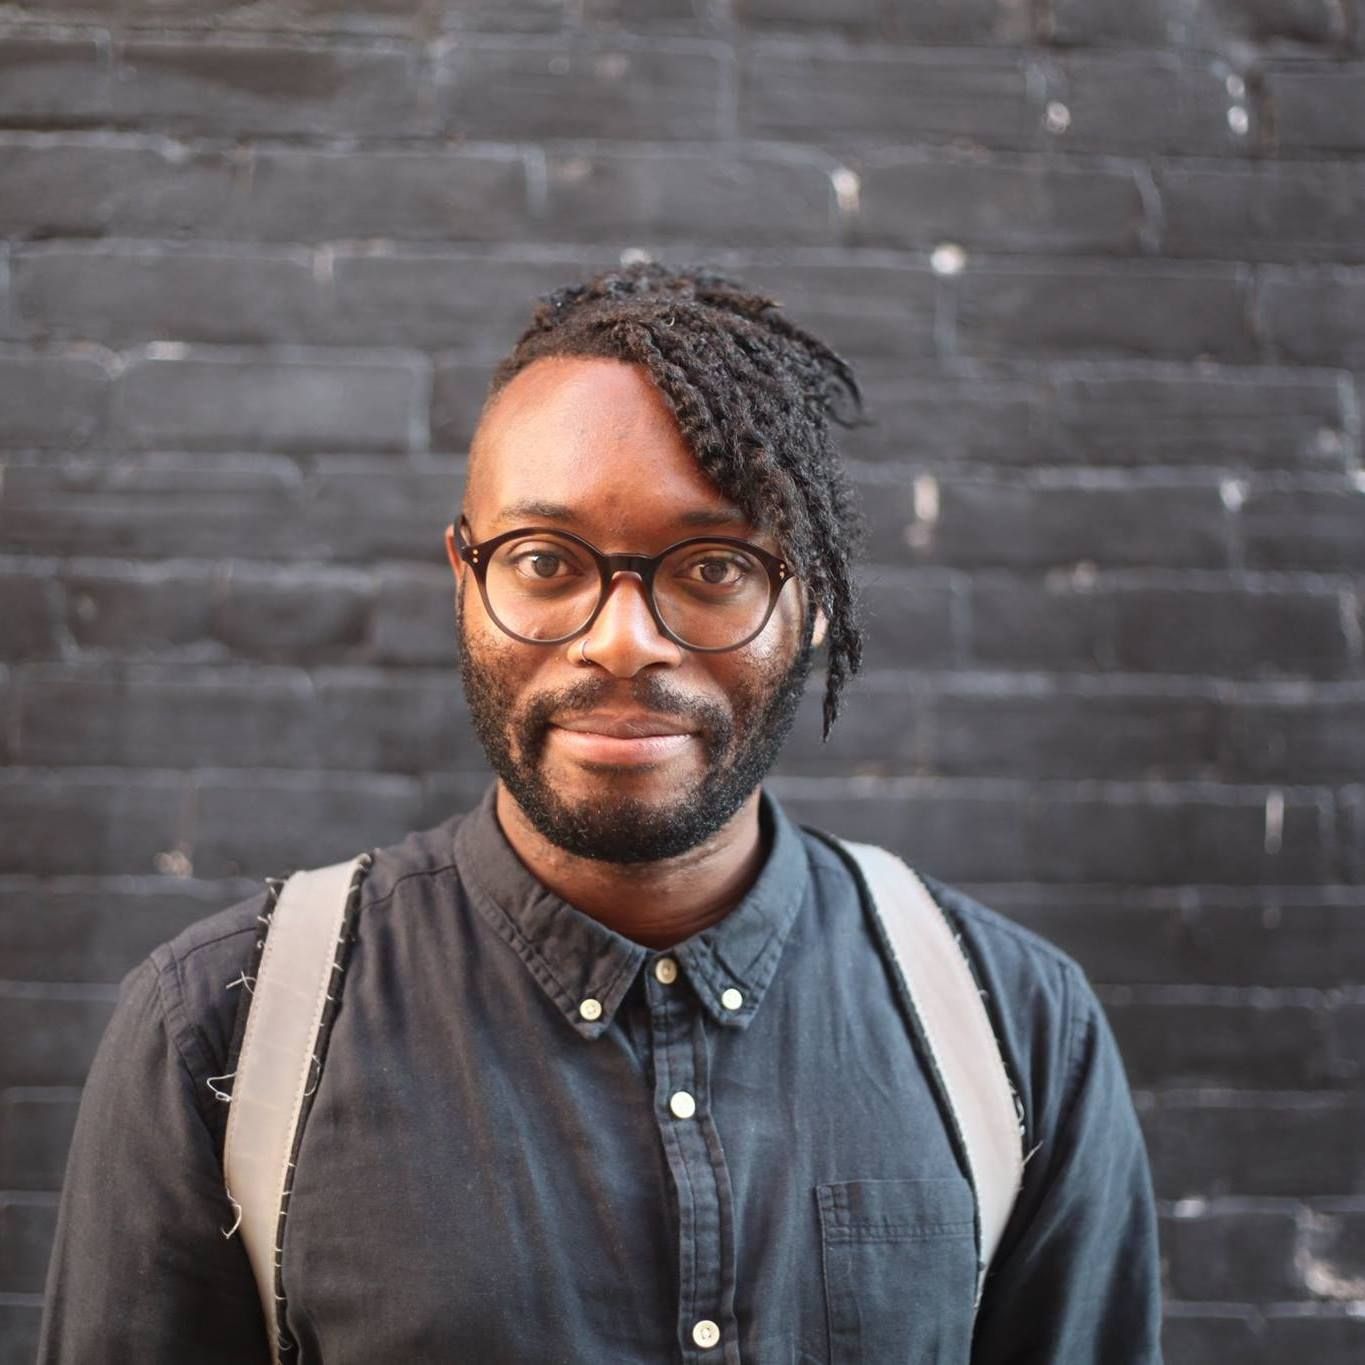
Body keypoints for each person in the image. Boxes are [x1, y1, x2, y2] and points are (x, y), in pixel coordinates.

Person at [38, 263, 1162, 1363]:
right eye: (544, 561)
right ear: (465, 579)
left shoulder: (1015, 1032)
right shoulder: (224, 1038)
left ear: (810, 600)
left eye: (714, 567)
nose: (622, 639)